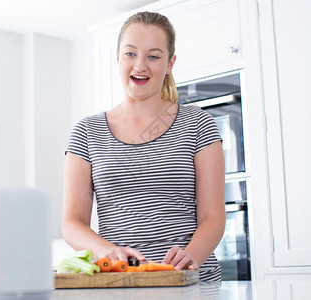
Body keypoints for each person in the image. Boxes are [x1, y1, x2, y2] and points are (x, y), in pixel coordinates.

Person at [62, 11, 226, 281]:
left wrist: (191, 255)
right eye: (130, 54)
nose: (140, 65)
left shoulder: (198, 124)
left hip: (191, 283)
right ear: (117, 57)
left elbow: (213, 216)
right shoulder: (87, 132)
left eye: (153, 56)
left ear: (170, 63)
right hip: (121, 282)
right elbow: (72, 224)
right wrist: (108, 251)